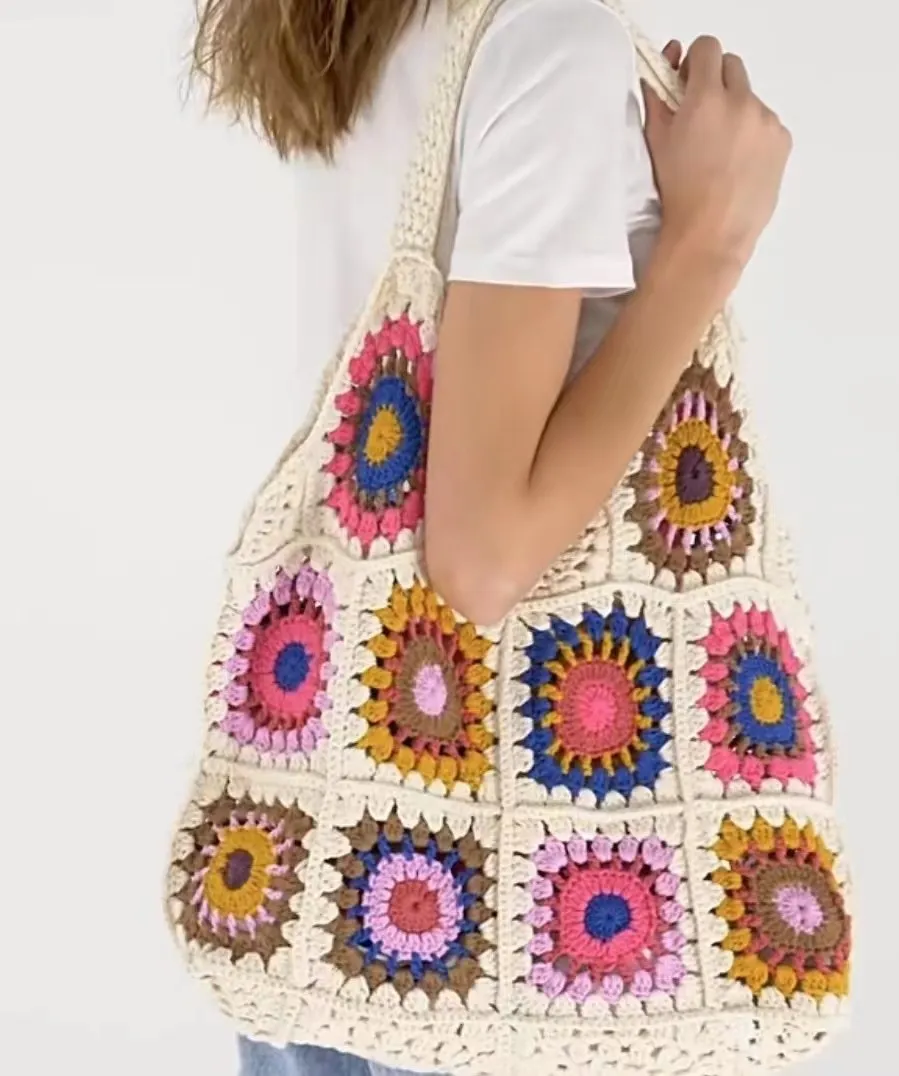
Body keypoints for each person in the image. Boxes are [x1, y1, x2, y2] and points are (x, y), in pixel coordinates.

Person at [191, 1, 791, 1074]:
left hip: (337, 877)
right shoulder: (546, 44)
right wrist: (710, 242)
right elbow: (481, 557)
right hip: (504, 956)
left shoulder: (366, 28)